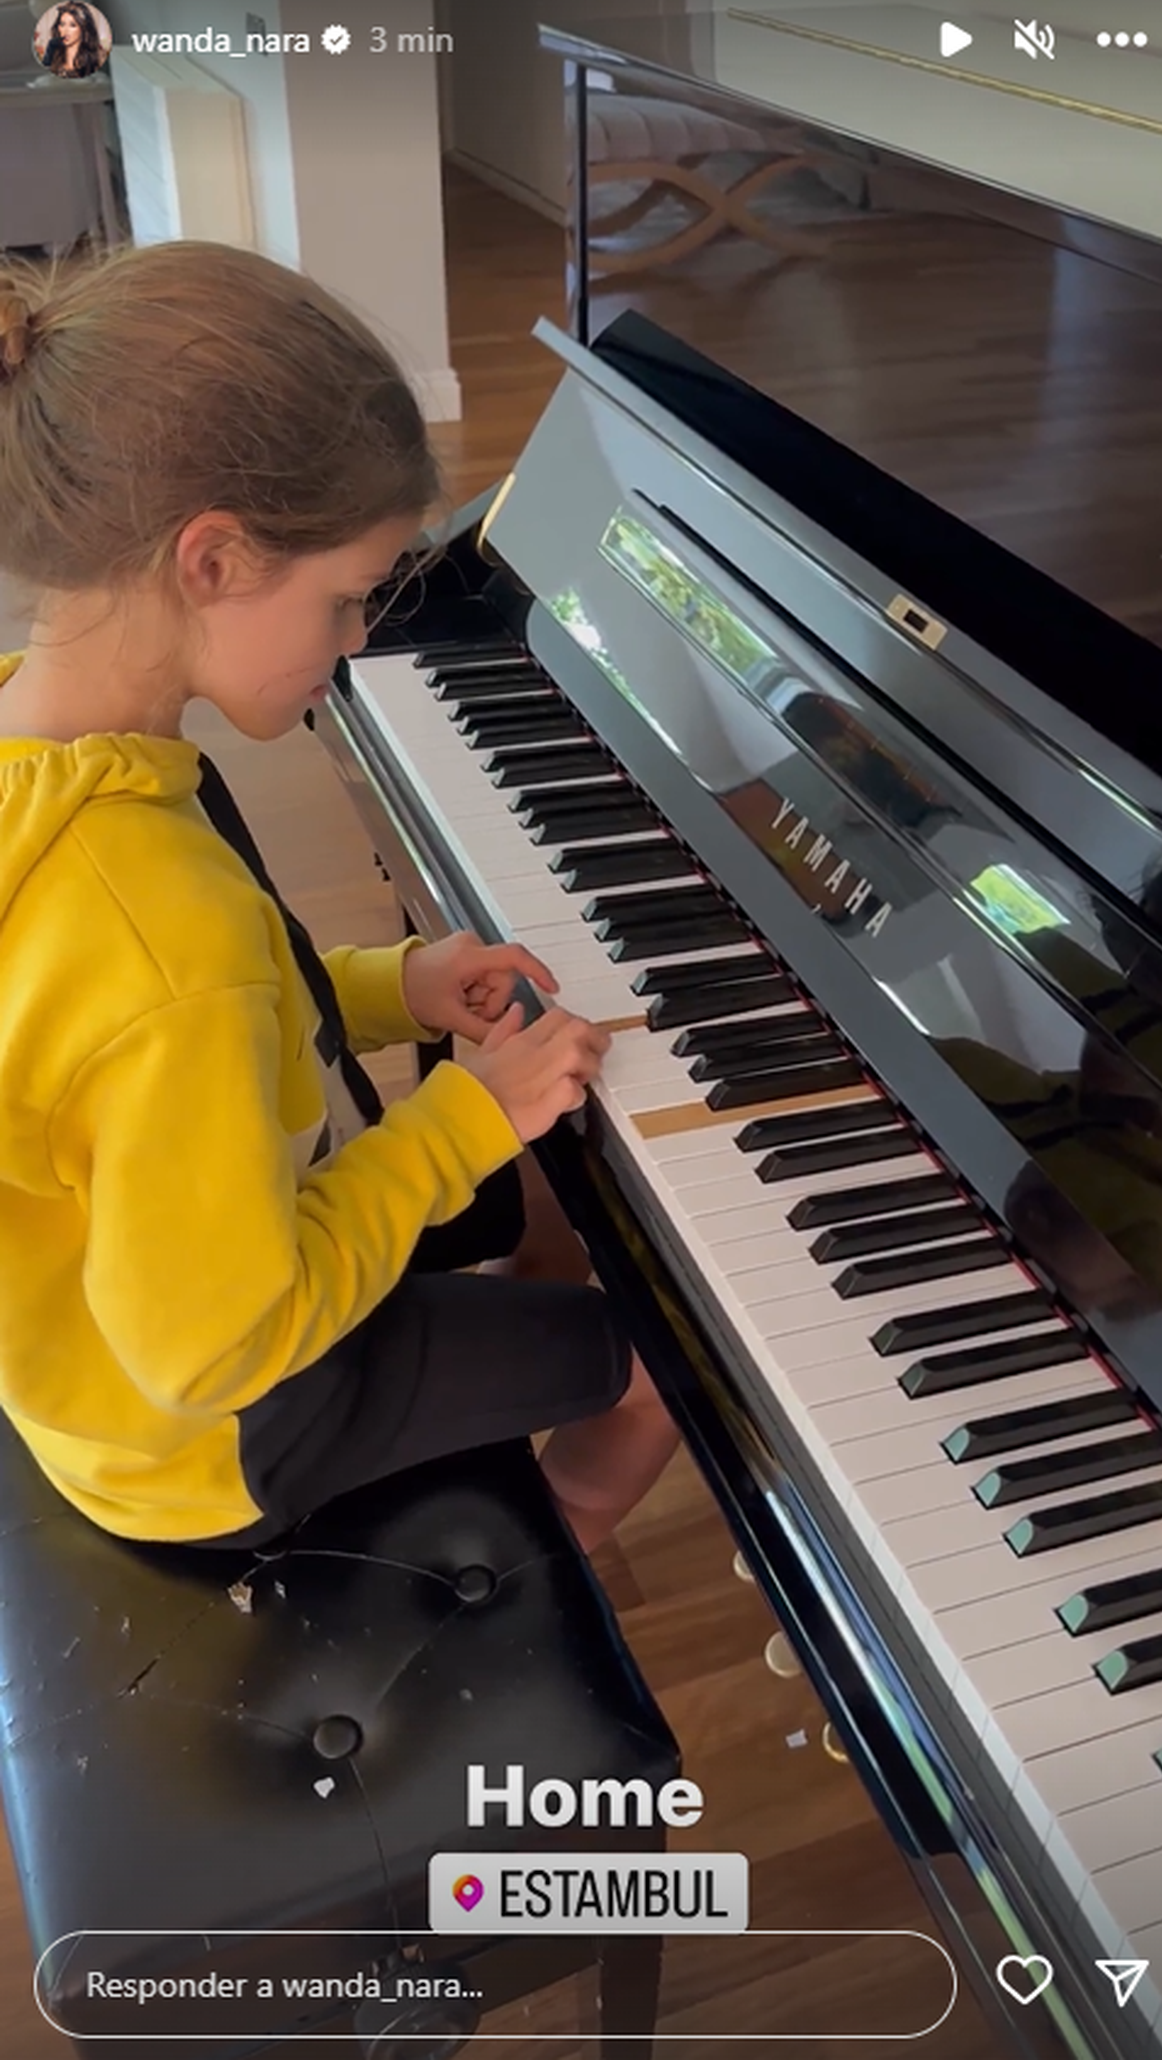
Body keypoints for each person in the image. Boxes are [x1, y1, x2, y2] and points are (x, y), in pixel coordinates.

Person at [0, 241, 679, 1556]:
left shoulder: (54, 763)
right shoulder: (155, 923)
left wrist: (391, 988)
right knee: (672, 1370)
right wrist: (455, 1121)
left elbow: (141, 1043)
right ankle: (530, 1574)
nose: (360, 638)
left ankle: (486, 1380)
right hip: (204, 1433)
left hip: (88, 1357)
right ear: (212, 559)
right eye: (346, 599)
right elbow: (220, 1344)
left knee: (525, 1178)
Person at [38, 0, 107, 79]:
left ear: (83, 29)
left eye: (72, 25)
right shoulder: (53, 54)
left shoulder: (97, 58)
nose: (65, 30)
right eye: (62, 24)